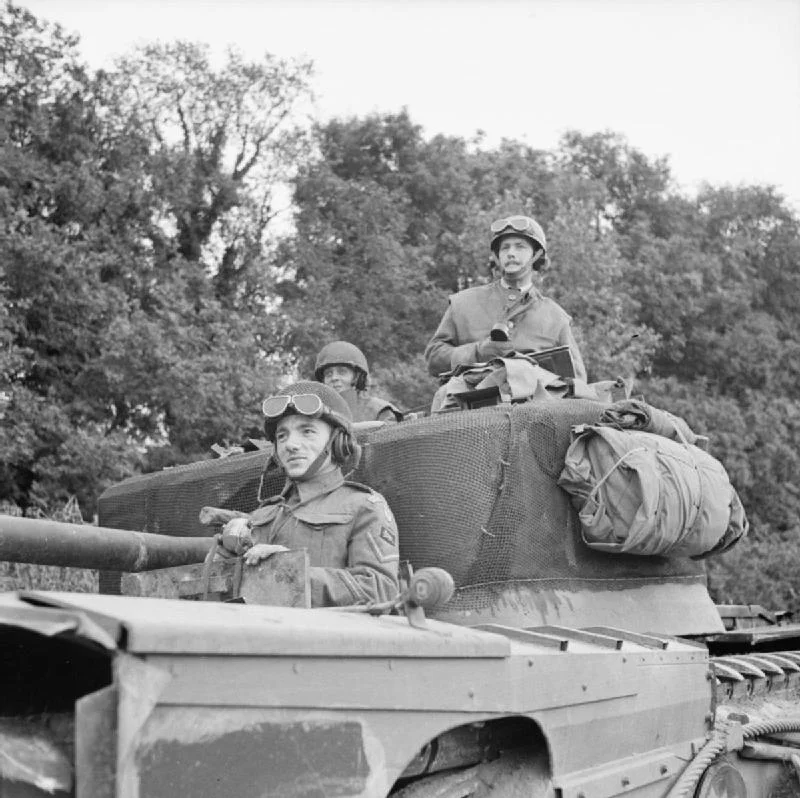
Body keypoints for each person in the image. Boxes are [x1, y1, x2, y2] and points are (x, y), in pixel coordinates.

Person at [219, 381, 400, 607]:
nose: (291, 444)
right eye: (282, 436)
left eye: (307, 432)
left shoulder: (364, 507)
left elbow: (380, 588)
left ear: (338, 441)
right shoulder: (265, 514)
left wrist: (294, 572)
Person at [424, 215, 587, 383]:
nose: (511, 253)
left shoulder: (555, 318)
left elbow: (578, 384)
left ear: (537, 254)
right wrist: (478, 353)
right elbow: (434, 358)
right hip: (470, 404)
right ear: (496, 256)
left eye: (520, 247)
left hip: (535, 407)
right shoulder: (463, 304)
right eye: (505, 248)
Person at [314, 341, 403, 423]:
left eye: (342, 372)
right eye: (328, 374)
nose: (334, 378)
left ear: (356, 377)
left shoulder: (379, 410)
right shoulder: (315, 412)